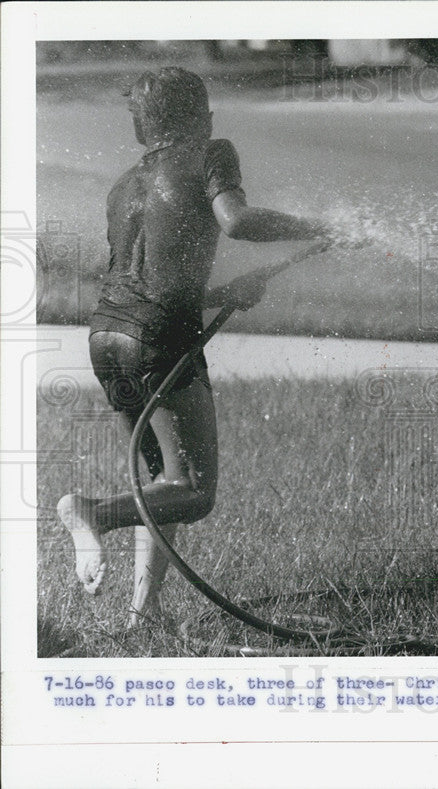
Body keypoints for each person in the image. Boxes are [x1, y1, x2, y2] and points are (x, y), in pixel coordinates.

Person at [58, 67, 336, 627]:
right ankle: (92, 512)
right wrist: (319, 225)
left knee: (162, 483)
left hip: (106, 337)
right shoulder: (211, 152)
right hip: (159, 340)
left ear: (142, 129)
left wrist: (222, 294)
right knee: (194, 493)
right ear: (200, 117)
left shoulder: (123, 186)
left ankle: (145, 610)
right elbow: (236, 221)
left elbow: (137, 280)